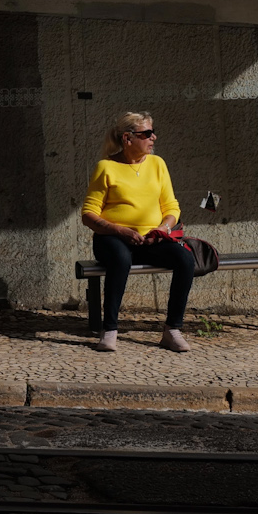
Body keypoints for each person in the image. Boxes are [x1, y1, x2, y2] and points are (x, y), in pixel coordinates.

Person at [80, 110, 194, 353]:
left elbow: (171, 207)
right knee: (121, 259)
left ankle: (172, 329)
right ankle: (110, 329)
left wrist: (163, 228)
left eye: (153, 132)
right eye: (147, 133)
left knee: (185, 259)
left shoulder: (157, 164)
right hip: (112, 239)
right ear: (127, 138)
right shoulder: (106, 167)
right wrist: (119, 230)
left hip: (151, 239)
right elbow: (88, 214)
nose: (154, 138)